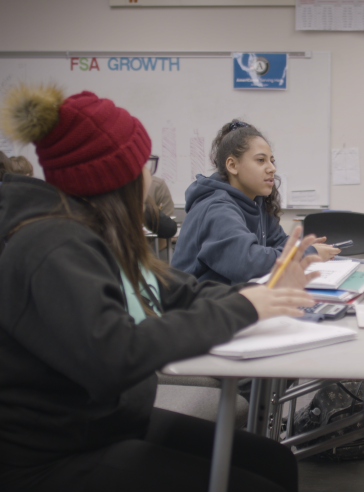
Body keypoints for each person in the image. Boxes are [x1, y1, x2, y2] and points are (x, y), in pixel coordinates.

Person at [0, 83, 321, 492]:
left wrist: (258, 299)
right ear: (115, 175)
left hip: (107, 422)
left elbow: (181, 291)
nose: (150, 174)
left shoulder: (98, 234)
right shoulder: (49, 248)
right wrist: (244, 308)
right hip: (54, 454)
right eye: (143, 163)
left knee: (273, 460)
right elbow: (117, 353)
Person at [172, 120, 340, 284]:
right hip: (196, 307)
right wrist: (306, 254)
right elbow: (247, 263)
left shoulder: (256, 201)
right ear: (232, 165)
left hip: (226, 301)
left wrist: (301, 247)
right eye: (261, 160)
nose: (272, 168)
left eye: (271, 161)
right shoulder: (216, 208)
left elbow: (277, 241)